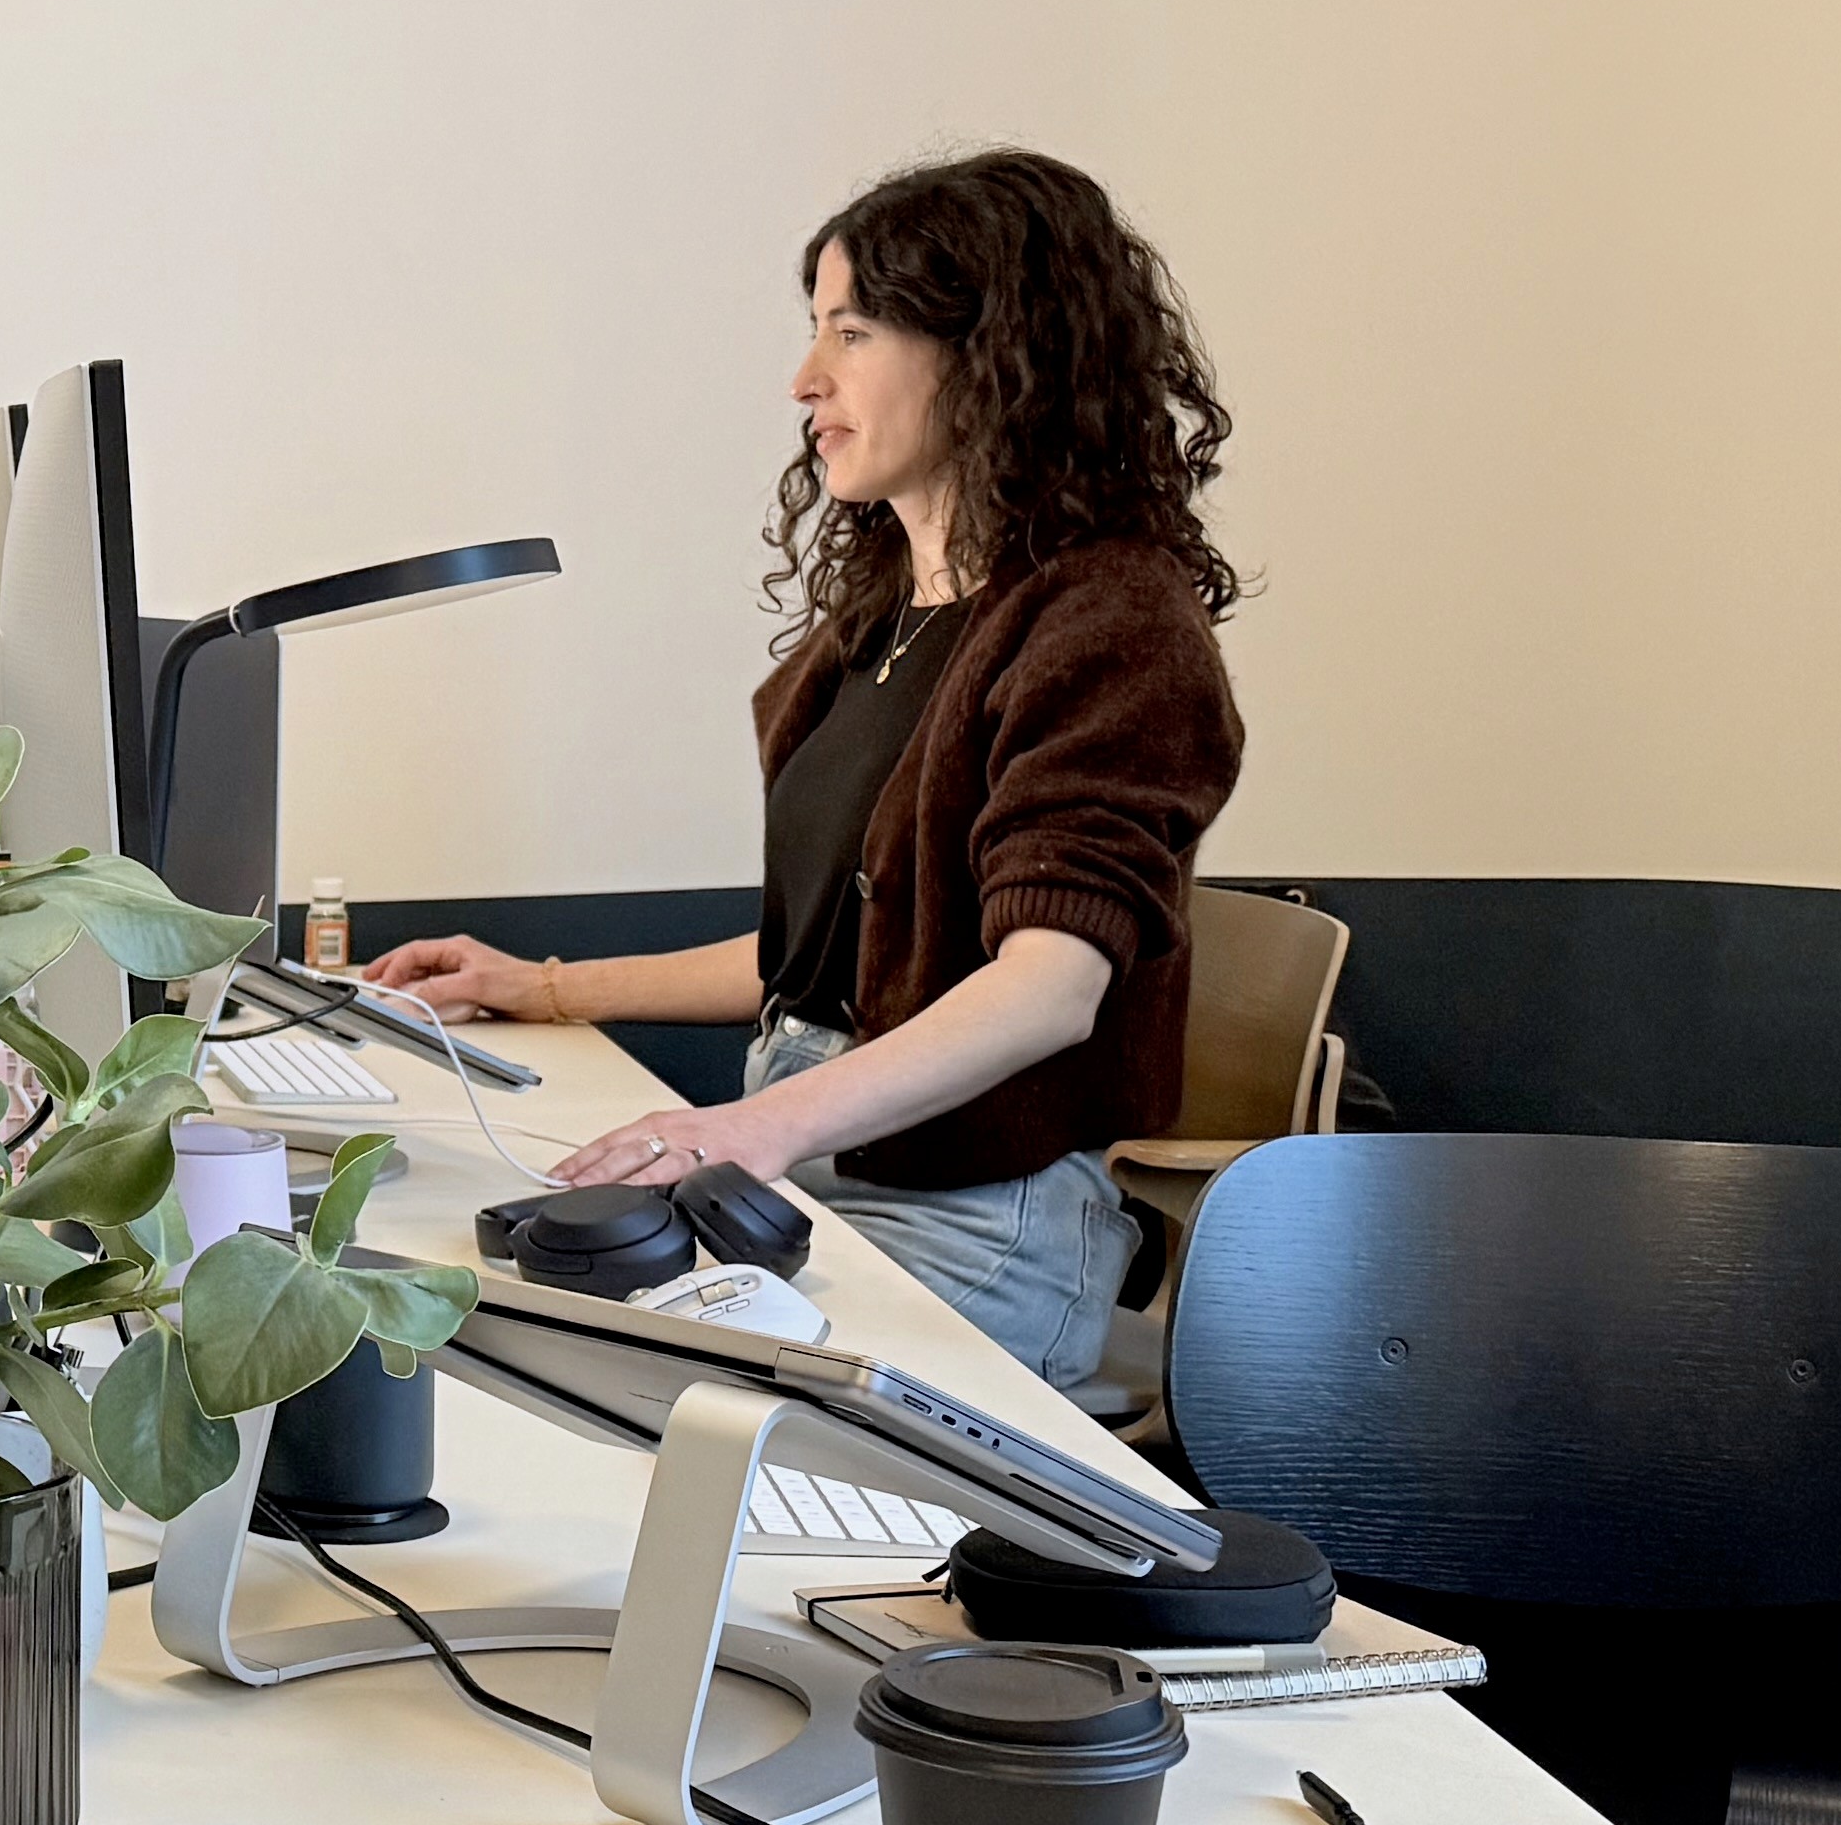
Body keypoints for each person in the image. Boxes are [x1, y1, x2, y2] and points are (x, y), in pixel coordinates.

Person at [376, 148, 1243, 1390]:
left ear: (991, 351)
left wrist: (739, 1132)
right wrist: (543, 986)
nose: (806, 379)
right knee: (501, 1347)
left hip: (968, 1222)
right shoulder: (880, 631)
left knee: (650, 1426)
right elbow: (819, 964)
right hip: (802, 1181)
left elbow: (1048, 987)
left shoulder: (1113, 625)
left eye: (852, 331)